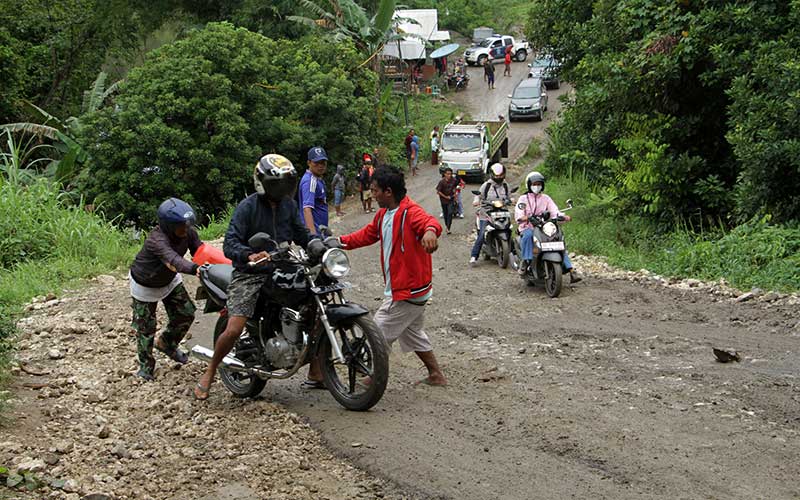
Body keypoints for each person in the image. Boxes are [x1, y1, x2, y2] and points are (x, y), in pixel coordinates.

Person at [194, 154, 315, 400]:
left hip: (282, 267)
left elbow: (301, 233)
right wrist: (249, 255)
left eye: (285, 183)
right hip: (250, 273)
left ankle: (318, 372)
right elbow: (230, 243)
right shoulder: (247, 207)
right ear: (263, 182)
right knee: (235, 327)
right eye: (276, 183)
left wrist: (316, 243)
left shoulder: (288, 206)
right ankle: (210, 370)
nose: (282, 189)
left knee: (312, 304)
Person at [339, 166, 447, 386]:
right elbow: (367, 235)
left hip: (408, 290)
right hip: (412, 289)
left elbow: (430, 223)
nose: (372, 195)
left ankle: (374, 379)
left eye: (375, 190)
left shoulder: (410, 212)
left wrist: (430, 232)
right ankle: (436, 375)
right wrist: (339, 242)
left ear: (388, 191)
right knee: (412, 332)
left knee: (376, 333)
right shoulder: (383, 214)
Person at [129, 198, 201, 381]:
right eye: (181, 226)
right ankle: (146, 366)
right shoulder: (157, 240)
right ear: (168, 226)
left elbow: (200, 251)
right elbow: (174, 261)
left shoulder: (188, 233)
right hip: (145, 284)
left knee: (186, 313)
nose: (185, 230)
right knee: (146, 329)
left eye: (187, 225)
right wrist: (195, 269)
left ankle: (167, 344)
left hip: (169, 280)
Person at [514, 171, 581, 282]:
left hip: (543, 227)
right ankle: (525, 262)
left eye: (539, 184)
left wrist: (563, 217)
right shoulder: (523, 199)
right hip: (528, 226)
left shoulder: (546, 198)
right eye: (534, 184)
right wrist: (523, 217)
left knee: (558, 241)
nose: (537, 186)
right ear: (529, 185)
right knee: (528, 236)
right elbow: (519, 211)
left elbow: (554, 210)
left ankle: (570, 270)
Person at [469, 163, 511, 266]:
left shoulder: (505, 185)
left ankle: (513, 253)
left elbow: (510, 196)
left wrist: (512, 200)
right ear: (492, 175)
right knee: (482, 233)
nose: (498, 177)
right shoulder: (486, 185)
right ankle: (474, 256)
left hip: (502, 211)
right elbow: (479, 196)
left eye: (500, 175)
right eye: (496, 175)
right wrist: (476, 201)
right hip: (486, 212)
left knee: (509, 229)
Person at [299, 146, 329, 236]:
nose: (320, 166)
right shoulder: (310, 181)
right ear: (309, 163)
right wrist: (314, 237)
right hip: (316, 232)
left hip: (321, 230)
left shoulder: (317, 179)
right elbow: (307, 209)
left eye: (323, 163)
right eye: (316, 163)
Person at [436, 167, 459, 234]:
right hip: (443, 200)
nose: (449, 175)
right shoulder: (441, 182)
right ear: (445, 174)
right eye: (448, 174)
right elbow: (438, 191)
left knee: (450, 213)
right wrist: (445, 197)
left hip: (451, 199)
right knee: (445, 213)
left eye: (450, 174)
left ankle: (448, 228)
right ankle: (447, 225)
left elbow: (455, 187)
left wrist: (455, 195)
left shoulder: (453, 180)